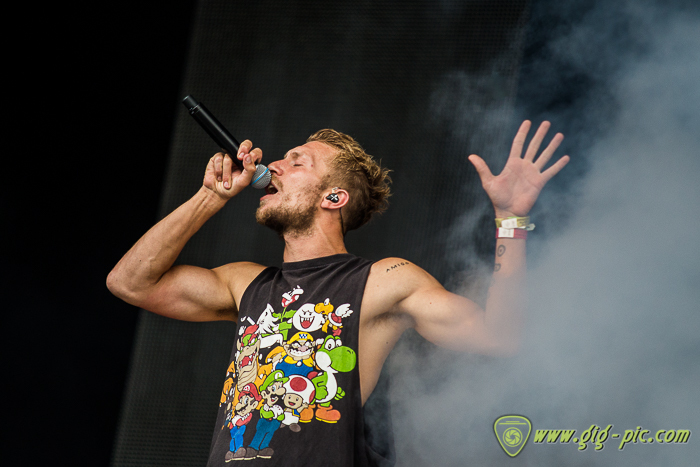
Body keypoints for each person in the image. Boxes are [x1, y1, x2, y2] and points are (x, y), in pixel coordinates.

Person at [107, 120, 569, 466]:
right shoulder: (245, 282)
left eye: (297, 161)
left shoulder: (384, 280)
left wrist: (510, 219)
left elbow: (500, 338)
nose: (273, 166)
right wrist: (211, 196)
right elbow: (129, 282)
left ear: (333, 198)